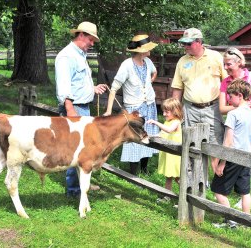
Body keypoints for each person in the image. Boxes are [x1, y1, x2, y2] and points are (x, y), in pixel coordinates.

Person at [55, 21, 107, 196]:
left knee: (84, 150)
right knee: (74, 150)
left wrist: (92, 89)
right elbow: (63, 87)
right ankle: (74, 190)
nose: (92, 44)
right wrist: (70, 110)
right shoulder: (66, 56)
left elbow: (76, 82)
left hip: (82, 107)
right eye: (91, 40)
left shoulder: (79, 54)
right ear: (82, 35)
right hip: (74, 108)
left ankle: (82, 183)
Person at [219, 47, 251, 211]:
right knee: (240, 162)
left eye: (228, 64)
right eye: (224, 64)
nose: (226, 68)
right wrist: (241, 107)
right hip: (236, 127)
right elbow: (222, 108)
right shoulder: (225, 82)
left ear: (239, 63)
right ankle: (244, 195)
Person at [171, 28, 227, 181]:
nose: (185, 47)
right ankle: (196, 181)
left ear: (199, 42)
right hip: (189, 109)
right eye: (184, 44)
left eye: (189, 44)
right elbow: (177, 88)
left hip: (212, 108)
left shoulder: (215, 57)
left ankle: (217, 186)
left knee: (215, 146)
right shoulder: (182, 61)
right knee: (191, 146)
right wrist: (174, 114)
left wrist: (230, 105)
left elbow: (228, 82)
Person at [104, 34, 159, 175]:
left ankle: (144, 169)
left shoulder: (148, 62)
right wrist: (109, 111)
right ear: (140, 50)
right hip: (134, 108)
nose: (150, 50)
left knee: (148, 136)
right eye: (147, 48)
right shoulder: (127, 65)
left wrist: (149, 82)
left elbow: (154, 72)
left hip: (150, 106)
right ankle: (133, 173)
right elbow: (114, 87)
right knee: (134, 138)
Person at [211, 79, 251, 227]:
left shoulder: (233, 114)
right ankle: (246, 221)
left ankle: (231, 221)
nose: (229, 100)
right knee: (245, 191)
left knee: (218, 190)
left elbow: (228, 141)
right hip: (247, 156)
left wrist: (221, 162)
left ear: (239, 95)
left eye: (230, 97)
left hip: (233, 157)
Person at [147, 98, 183, 196]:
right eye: (163, 112)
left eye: (166, 112)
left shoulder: (176, 122)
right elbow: (162, 134)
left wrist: (156, 122)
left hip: (174, 155)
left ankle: (185, 196)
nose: (164, 114)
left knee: (178, 178)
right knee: (168, 176)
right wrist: (151, 136)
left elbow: (169, 130)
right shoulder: (167, 121)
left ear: (175, 111)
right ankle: (167, 195)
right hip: (168, 154)